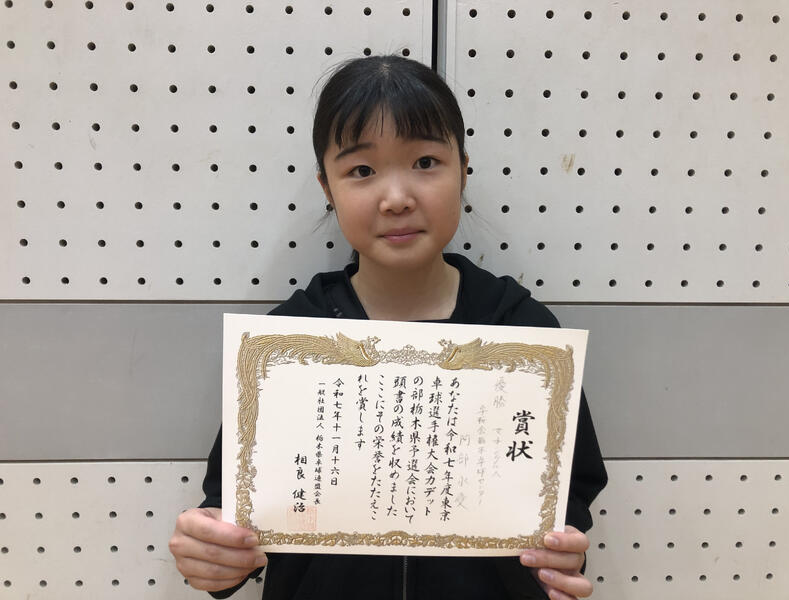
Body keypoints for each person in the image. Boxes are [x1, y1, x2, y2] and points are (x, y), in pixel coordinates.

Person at [169, 54, 608, 600]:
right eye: (361, 171)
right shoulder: (288, 345)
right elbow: (230, 511)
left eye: (425, 161)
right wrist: (213, 553)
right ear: (327, 187)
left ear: (463, 169)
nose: (397, 198)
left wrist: (561, 553)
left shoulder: (525, 334)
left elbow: (570, 497)